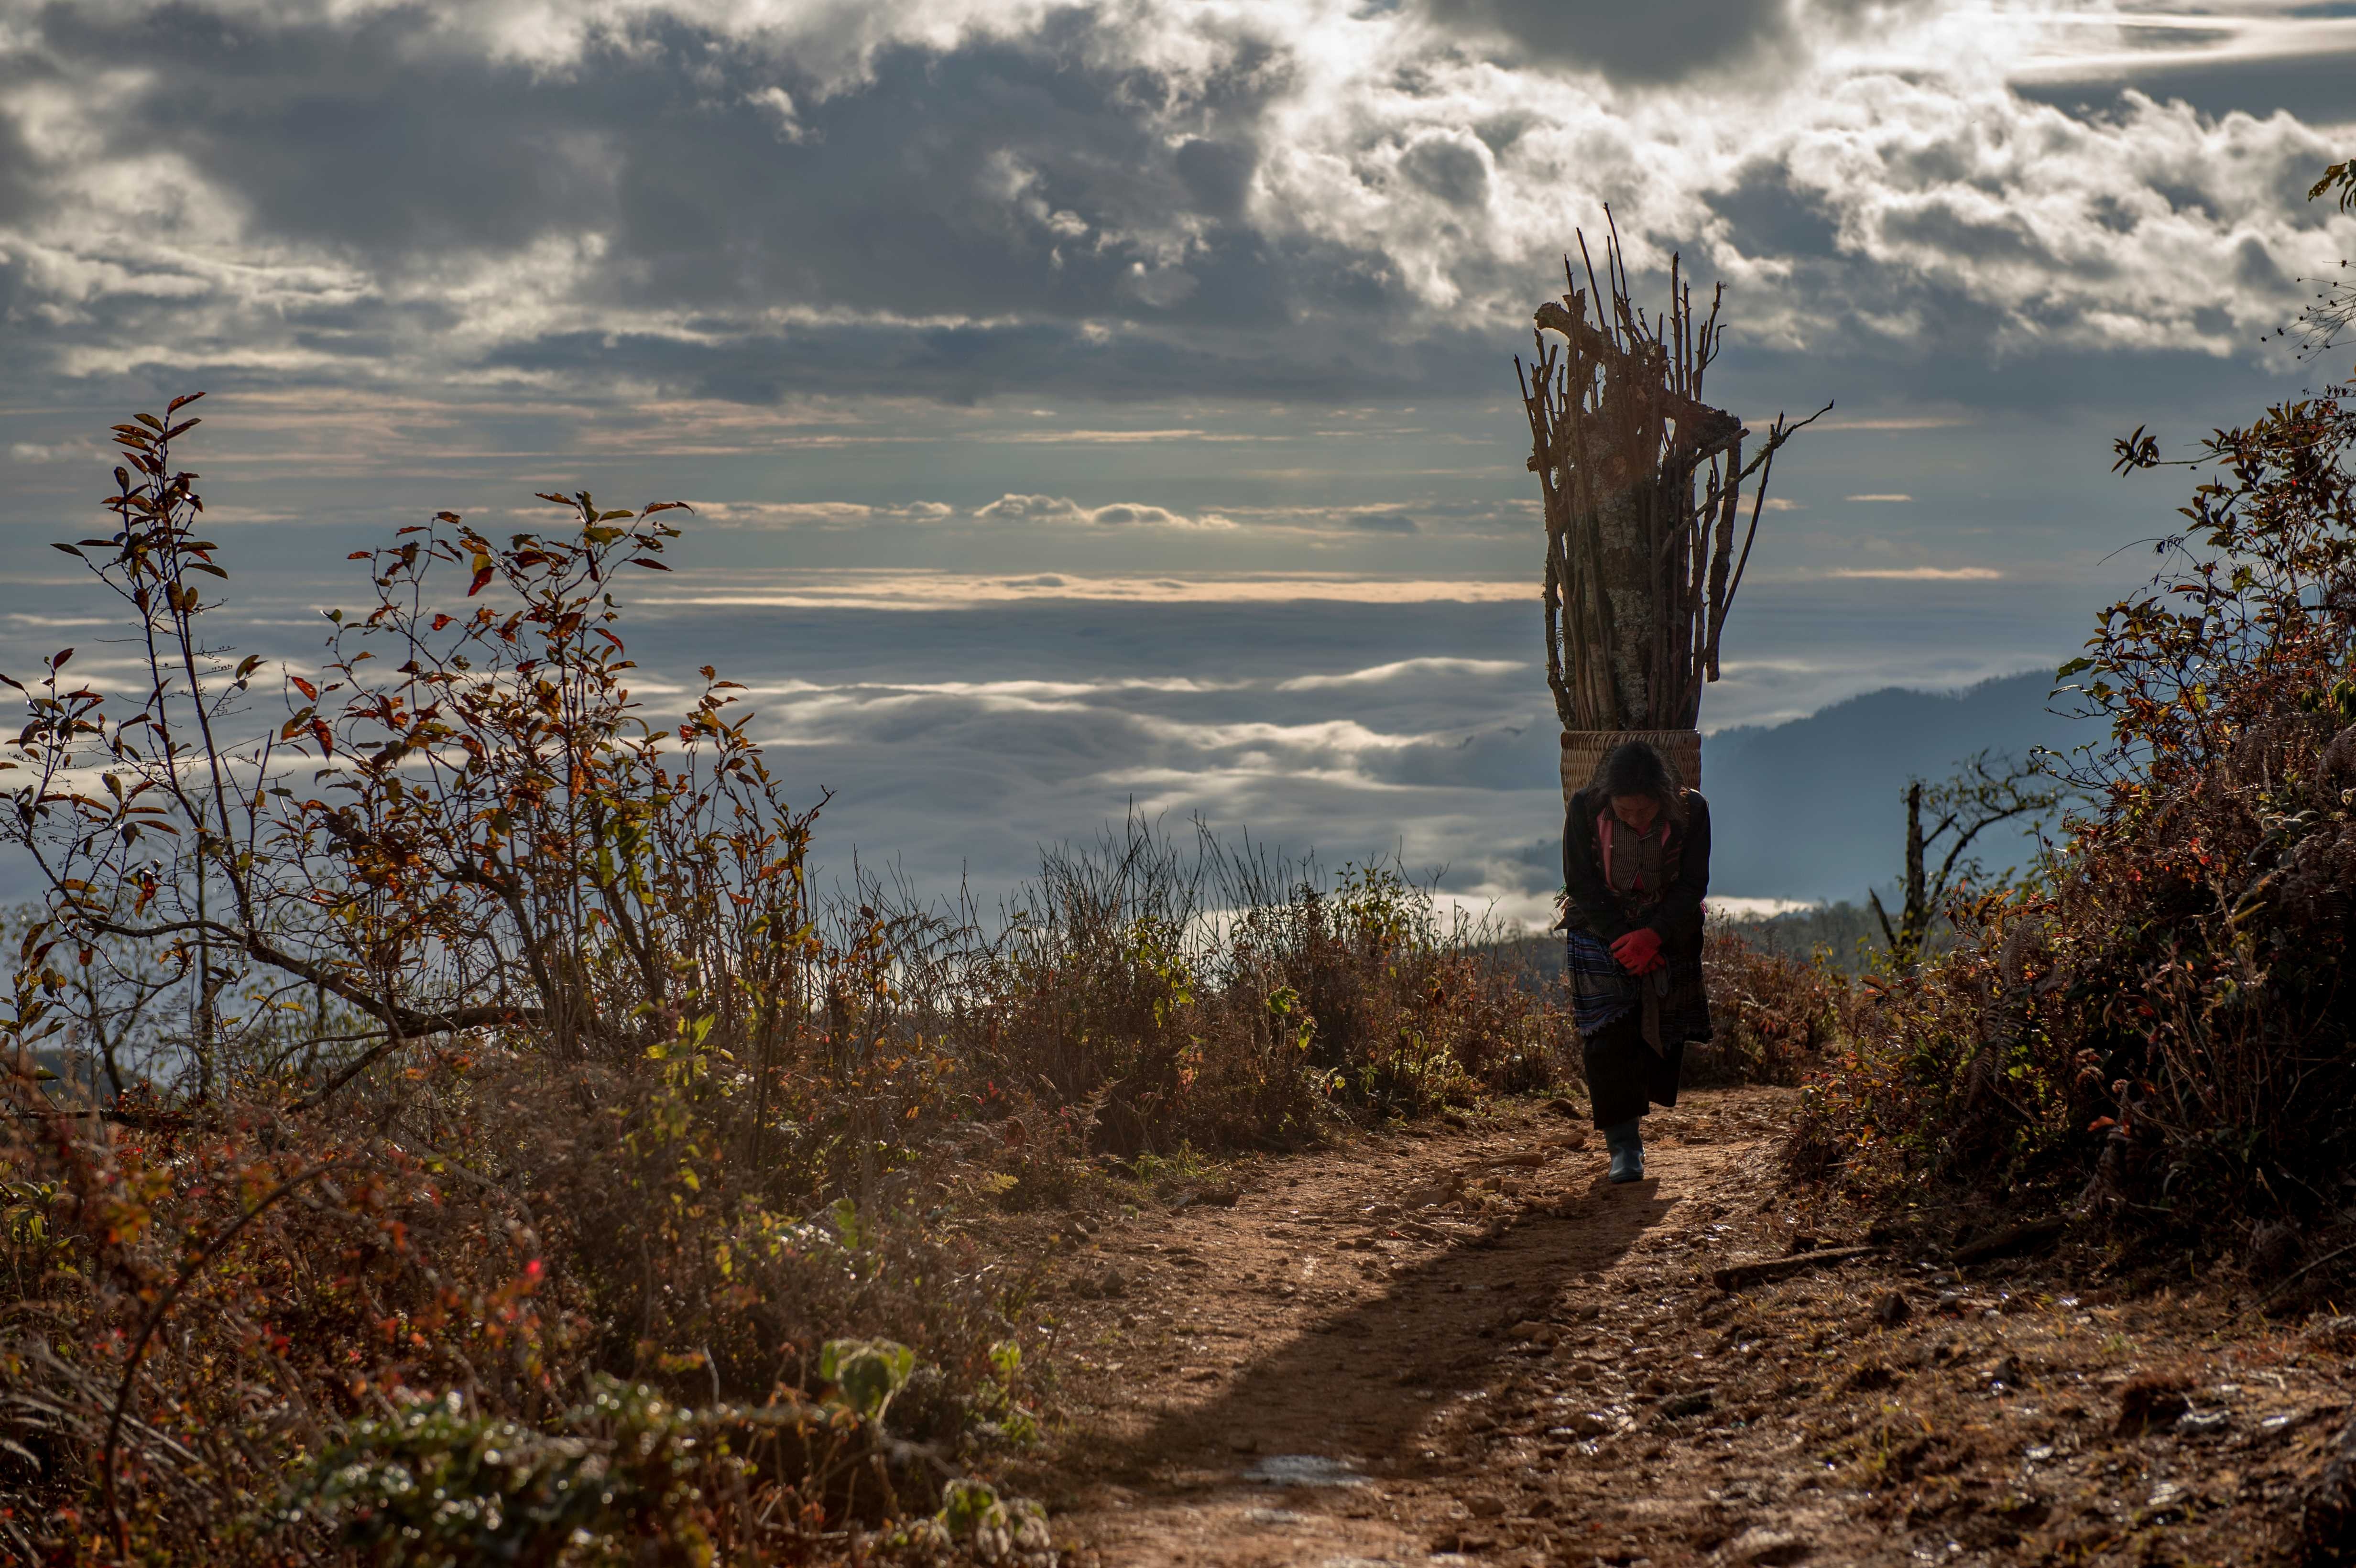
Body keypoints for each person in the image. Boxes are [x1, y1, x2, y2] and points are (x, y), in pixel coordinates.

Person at [1558, 740, 1713, 1183]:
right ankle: (1624, 1147)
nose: (1635, 820)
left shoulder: (1692, 812)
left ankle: (1637, 1119)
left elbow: (1693, 883)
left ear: (1662, 801)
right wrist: (1624, 937)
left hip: (1670, 923)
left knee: (1661, 1026)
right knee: (1607, 1031)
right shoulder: (1586, 809)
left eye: (1644, 813)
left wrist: (1653, 935)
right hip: (1600, 924)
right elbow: (1581, 883)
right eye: (1625, 813)